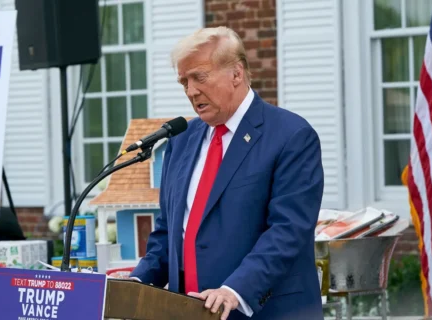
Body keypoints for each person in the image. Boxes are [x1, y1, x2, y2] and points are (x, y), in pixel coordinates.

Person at [129, 26, 324, 320]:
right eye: (184, 81)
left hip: (265, 311)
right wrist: (136, 283)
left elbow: (288, 231)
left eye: (200, 77)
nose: (191, 91)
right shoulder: (180, 140)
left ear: (236, 73)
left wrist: (234, 290)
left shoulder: (292, 136)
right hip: (190, 312)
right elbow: (170, 232)